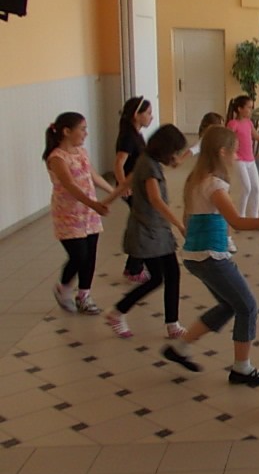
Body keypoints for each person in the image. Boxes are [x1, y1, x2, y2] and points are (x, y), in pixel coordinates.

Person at [161, 126, 259, 386]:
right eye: (235, 152)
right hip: (210, 256)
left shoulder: (197, 178)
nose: (237, 157)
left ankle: (180, 347)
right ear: (222, 152)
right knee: (247, 306)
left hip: (196, 254)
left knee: (229, 305)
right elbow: (238, 222)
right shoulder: (213, 185)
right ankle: (242, 368)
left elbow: (190, 219)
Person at [105, 125, 190, 340]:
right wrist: (180, 225)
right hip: (149, 233)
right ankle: (118, 312)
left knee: (169, 274)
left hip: (154, 231)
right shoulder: (150, 167)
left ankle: (172, 324)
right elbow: (155, 200)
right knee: (159, 278)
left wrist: (105, 202)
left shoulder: (145, 160)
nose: (175, 156)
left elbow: (126, 182)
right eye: (174, 151)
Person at [44, 113, 124, 316]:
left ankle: (84, 296)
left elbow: (93, 176)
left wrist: (116, 191)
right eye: (82, 129)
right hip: (68, 215)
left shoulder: (81, 152)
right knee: (79, 256)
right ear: (66, 131)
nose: (86, 133)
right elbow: (70, 186)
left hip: (88, 214)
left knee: (90, 255)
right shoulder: (56, 158)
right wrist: (94, 204)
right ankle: (63, 288)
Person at [114, 96, 154, 283]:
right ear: (136, 115)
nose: (151, 117)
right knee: (143, 226)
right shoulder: (128, 137)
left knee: (143, 224)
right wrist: (123, 186)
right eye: (148, 113)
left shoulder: (136, 134)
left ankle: (133, 266)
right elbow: (119, 163)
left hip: (139, 186)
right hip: (132, 189)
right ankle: (134, 268)